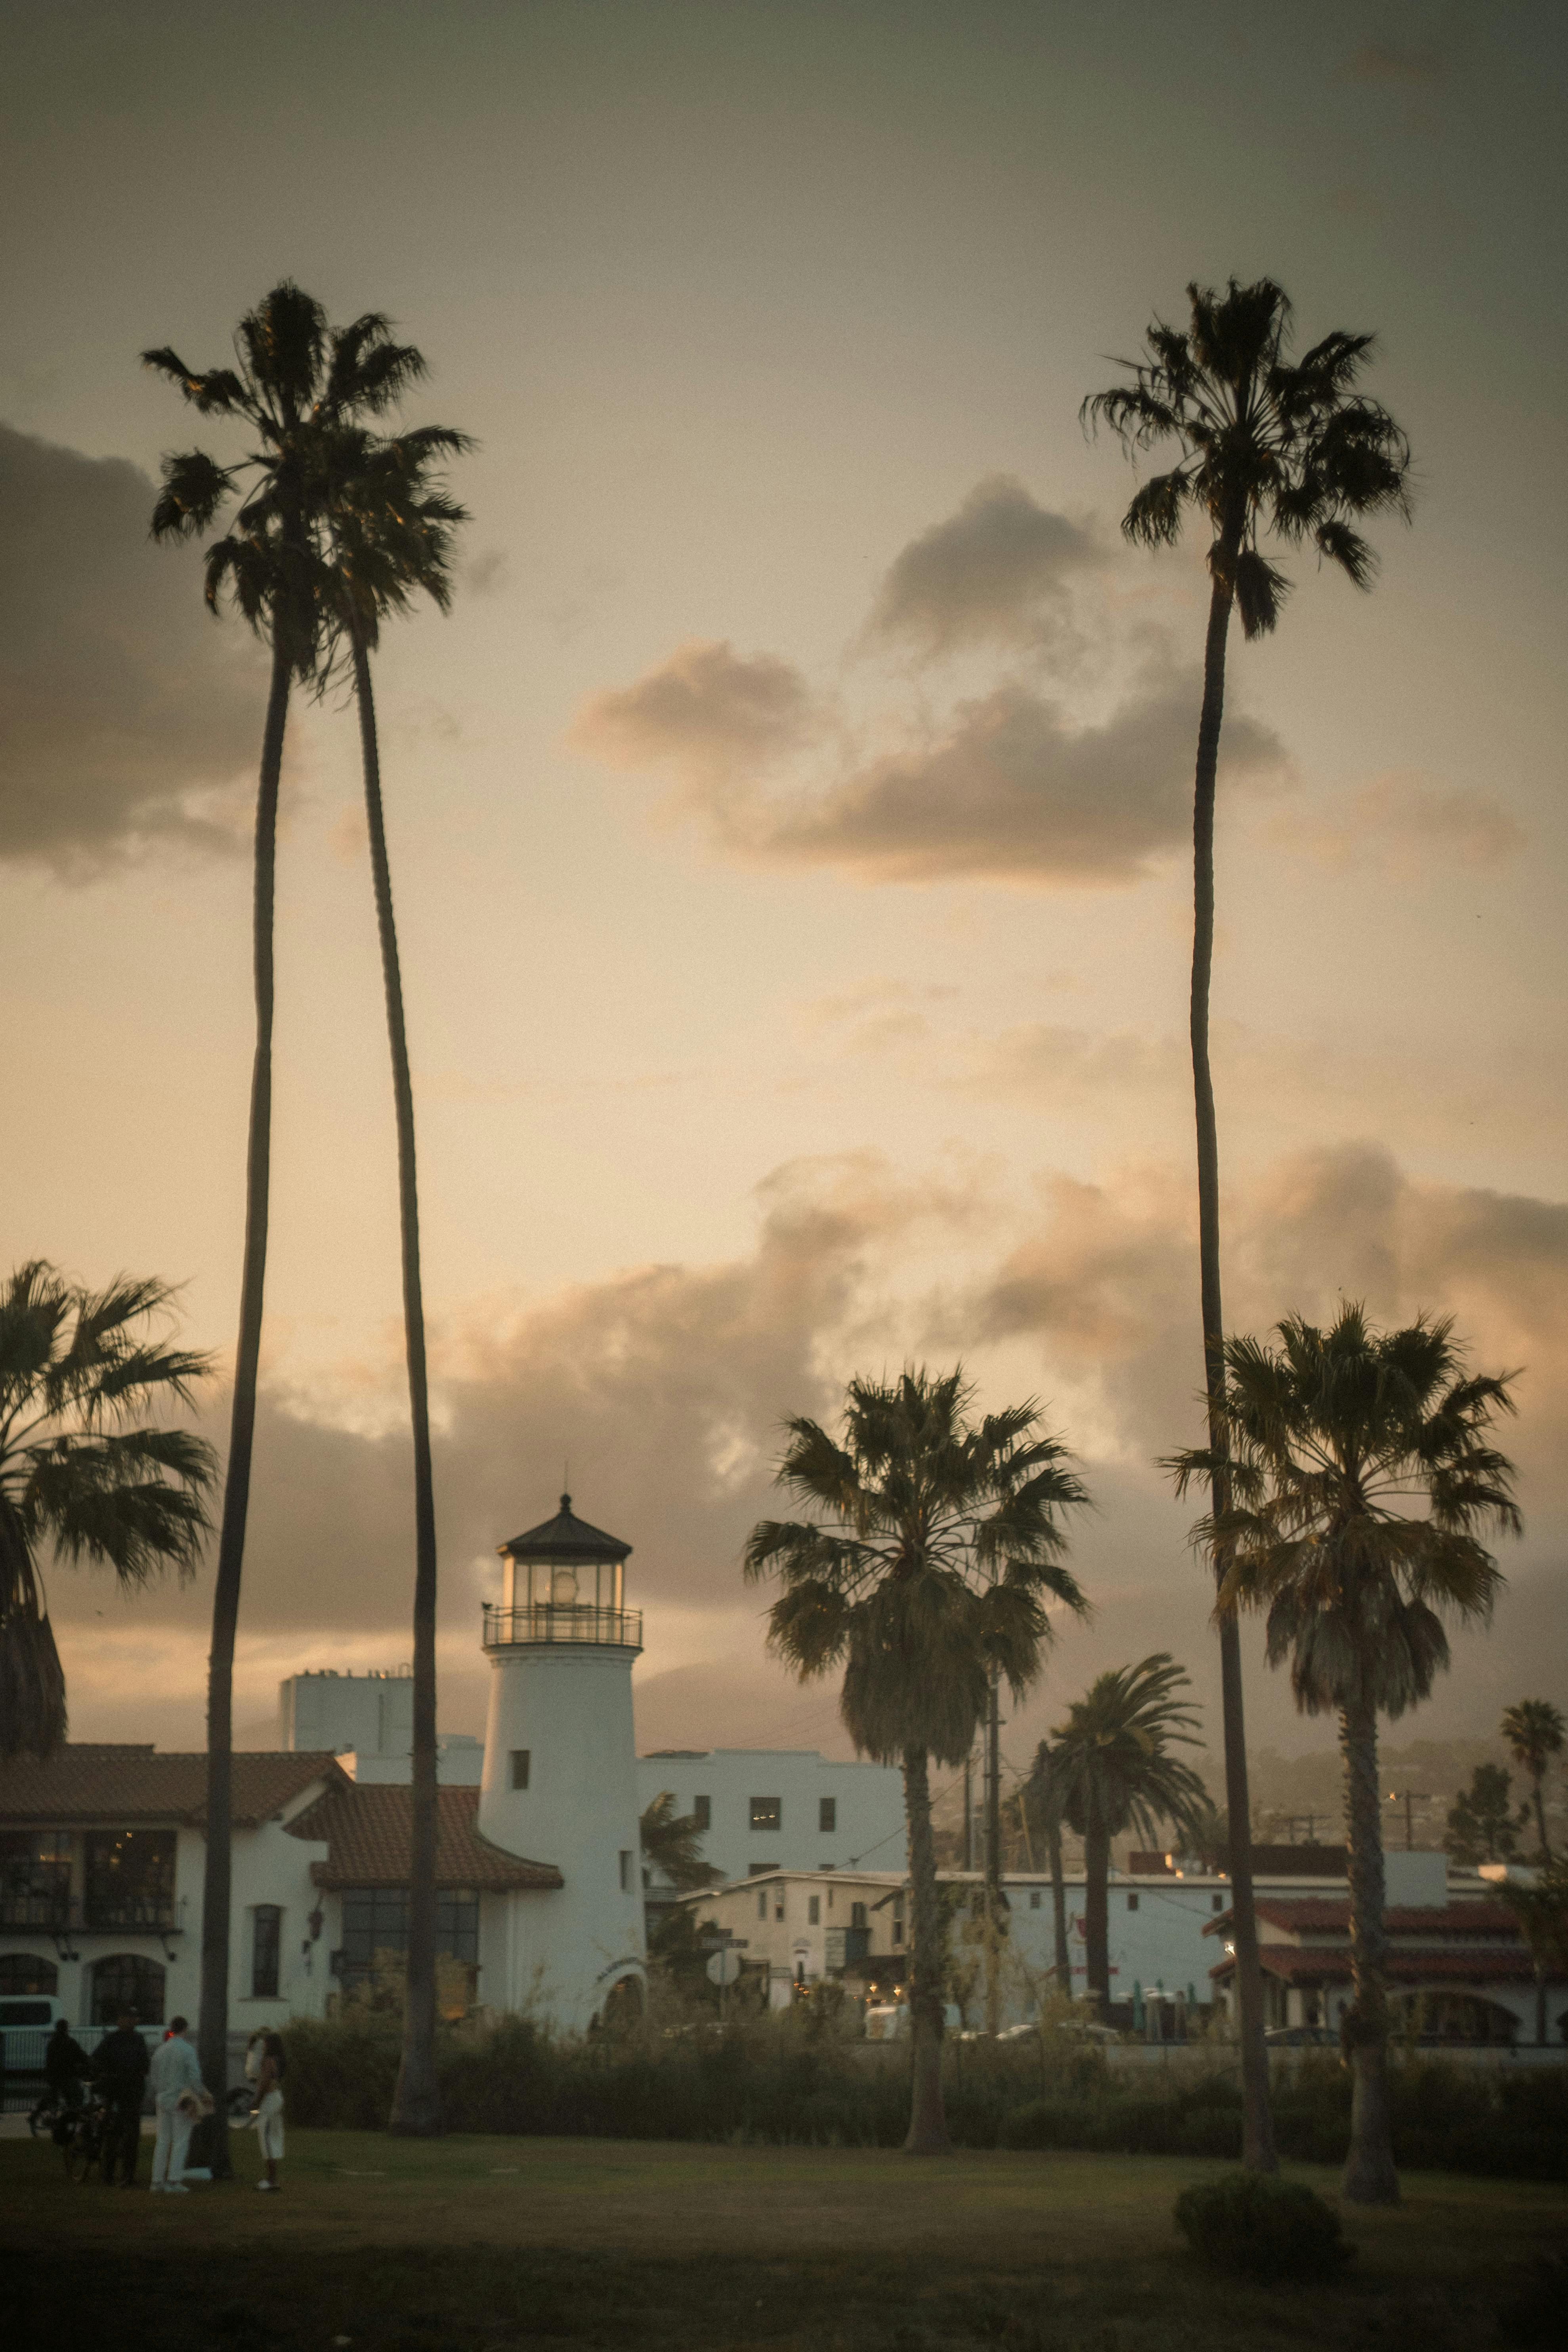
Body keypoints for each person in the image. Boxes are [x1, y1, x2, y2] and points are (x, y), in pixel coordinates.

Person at [93, 2007, 151, 2187]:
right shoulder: (112, 2040)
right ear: (120, 2020)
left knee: (131, 2137)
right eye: (128, 2018)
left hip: (132, 2094)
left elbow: (145, 2064)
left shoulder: (138, 2039)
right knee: (114, 2134)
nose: (132, 2022)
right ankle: (108, 2174)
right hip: (116, 2094)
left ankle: (128, 2175)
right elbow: (97, 2060)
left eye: (134, 2018)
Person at [149, 2015, 207, 2192]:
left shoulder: (161, 2050)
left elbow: (154, 2077)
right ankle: (174, 2180)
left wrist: (161, 2091)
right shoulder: (188, 2050)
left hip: (163, 2098)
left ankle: (157, 2181)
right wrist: (201, 2093)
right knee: (181, 2140)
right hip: (181, 2099)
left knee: (163, 2140)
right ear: (185, 2029)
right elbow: (195, 2077)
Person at [252, 2028, 286, 2192]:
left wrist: (255, 2104)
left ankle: (272, 2181)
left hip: (269, 2100)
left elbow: (264, 2084)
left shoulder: (268, 2061)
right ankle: (273, 2179)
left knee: (266, 2139)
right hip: (277, 2098)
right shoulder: (278, 2060)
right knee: (274, 2137)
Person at [40, 2018, 93, 2118]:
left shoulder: (53, 2042)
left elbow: (49, 2060)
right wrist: (89, 2062)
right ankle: (70, 2115)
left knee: (58, 2096)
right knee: (77, 2095)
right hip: (67, 2075)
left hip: (53, 2076)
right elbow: (81, 2055)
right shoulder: (69, 2042)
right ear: (66, 2029)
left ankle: (57, 2114)